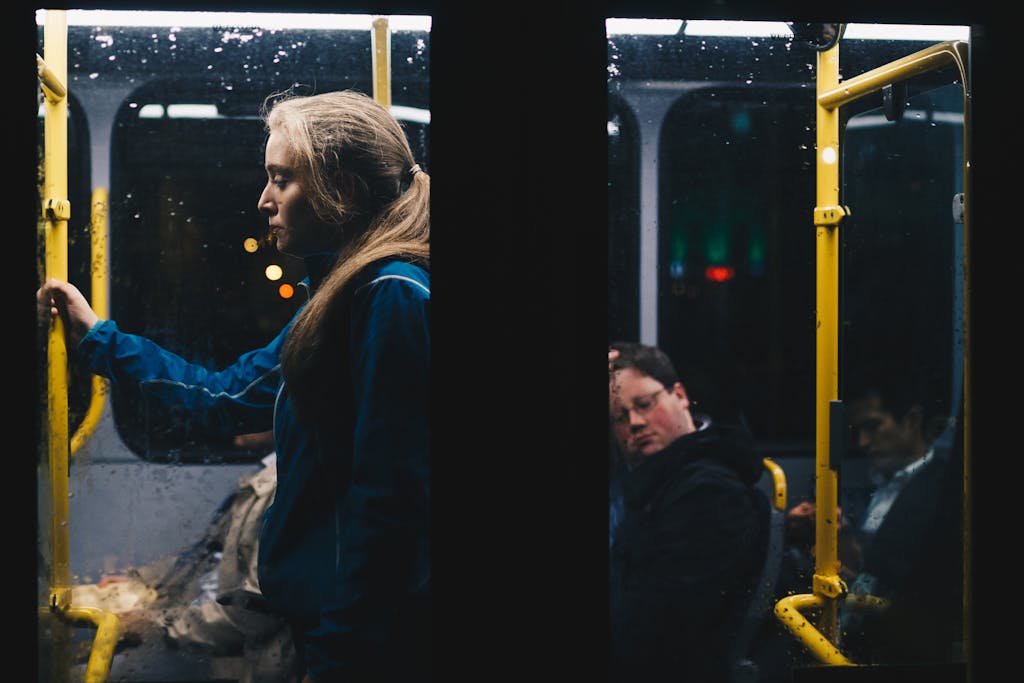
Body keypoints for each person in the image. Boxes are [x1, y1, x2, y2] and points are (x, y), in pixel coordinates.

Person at [38, 89, 431, 683]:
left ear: (341, 190)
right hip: (332, 627)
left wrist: (341, 652)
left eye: (281, 179)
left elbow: (390, 508)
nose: (264, 199)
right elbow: (222, 399)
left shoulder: (391, 296)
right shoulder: (339, 300)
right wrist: (97, 336)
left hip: (363, 643)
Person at [607, 342, 771, 683]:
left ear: (679, 395)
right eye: (619, 417)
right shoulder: (658, 483)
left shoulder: (706, 493)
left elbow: (660, 626)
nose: (635, 423)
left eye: (644, 404)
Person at [837, 373, 964, 666]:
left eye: (873, 426)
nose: (864, 443)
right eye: (857, 433)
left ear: (911, 419)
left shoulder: (943, 489)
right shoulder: (875, 488)